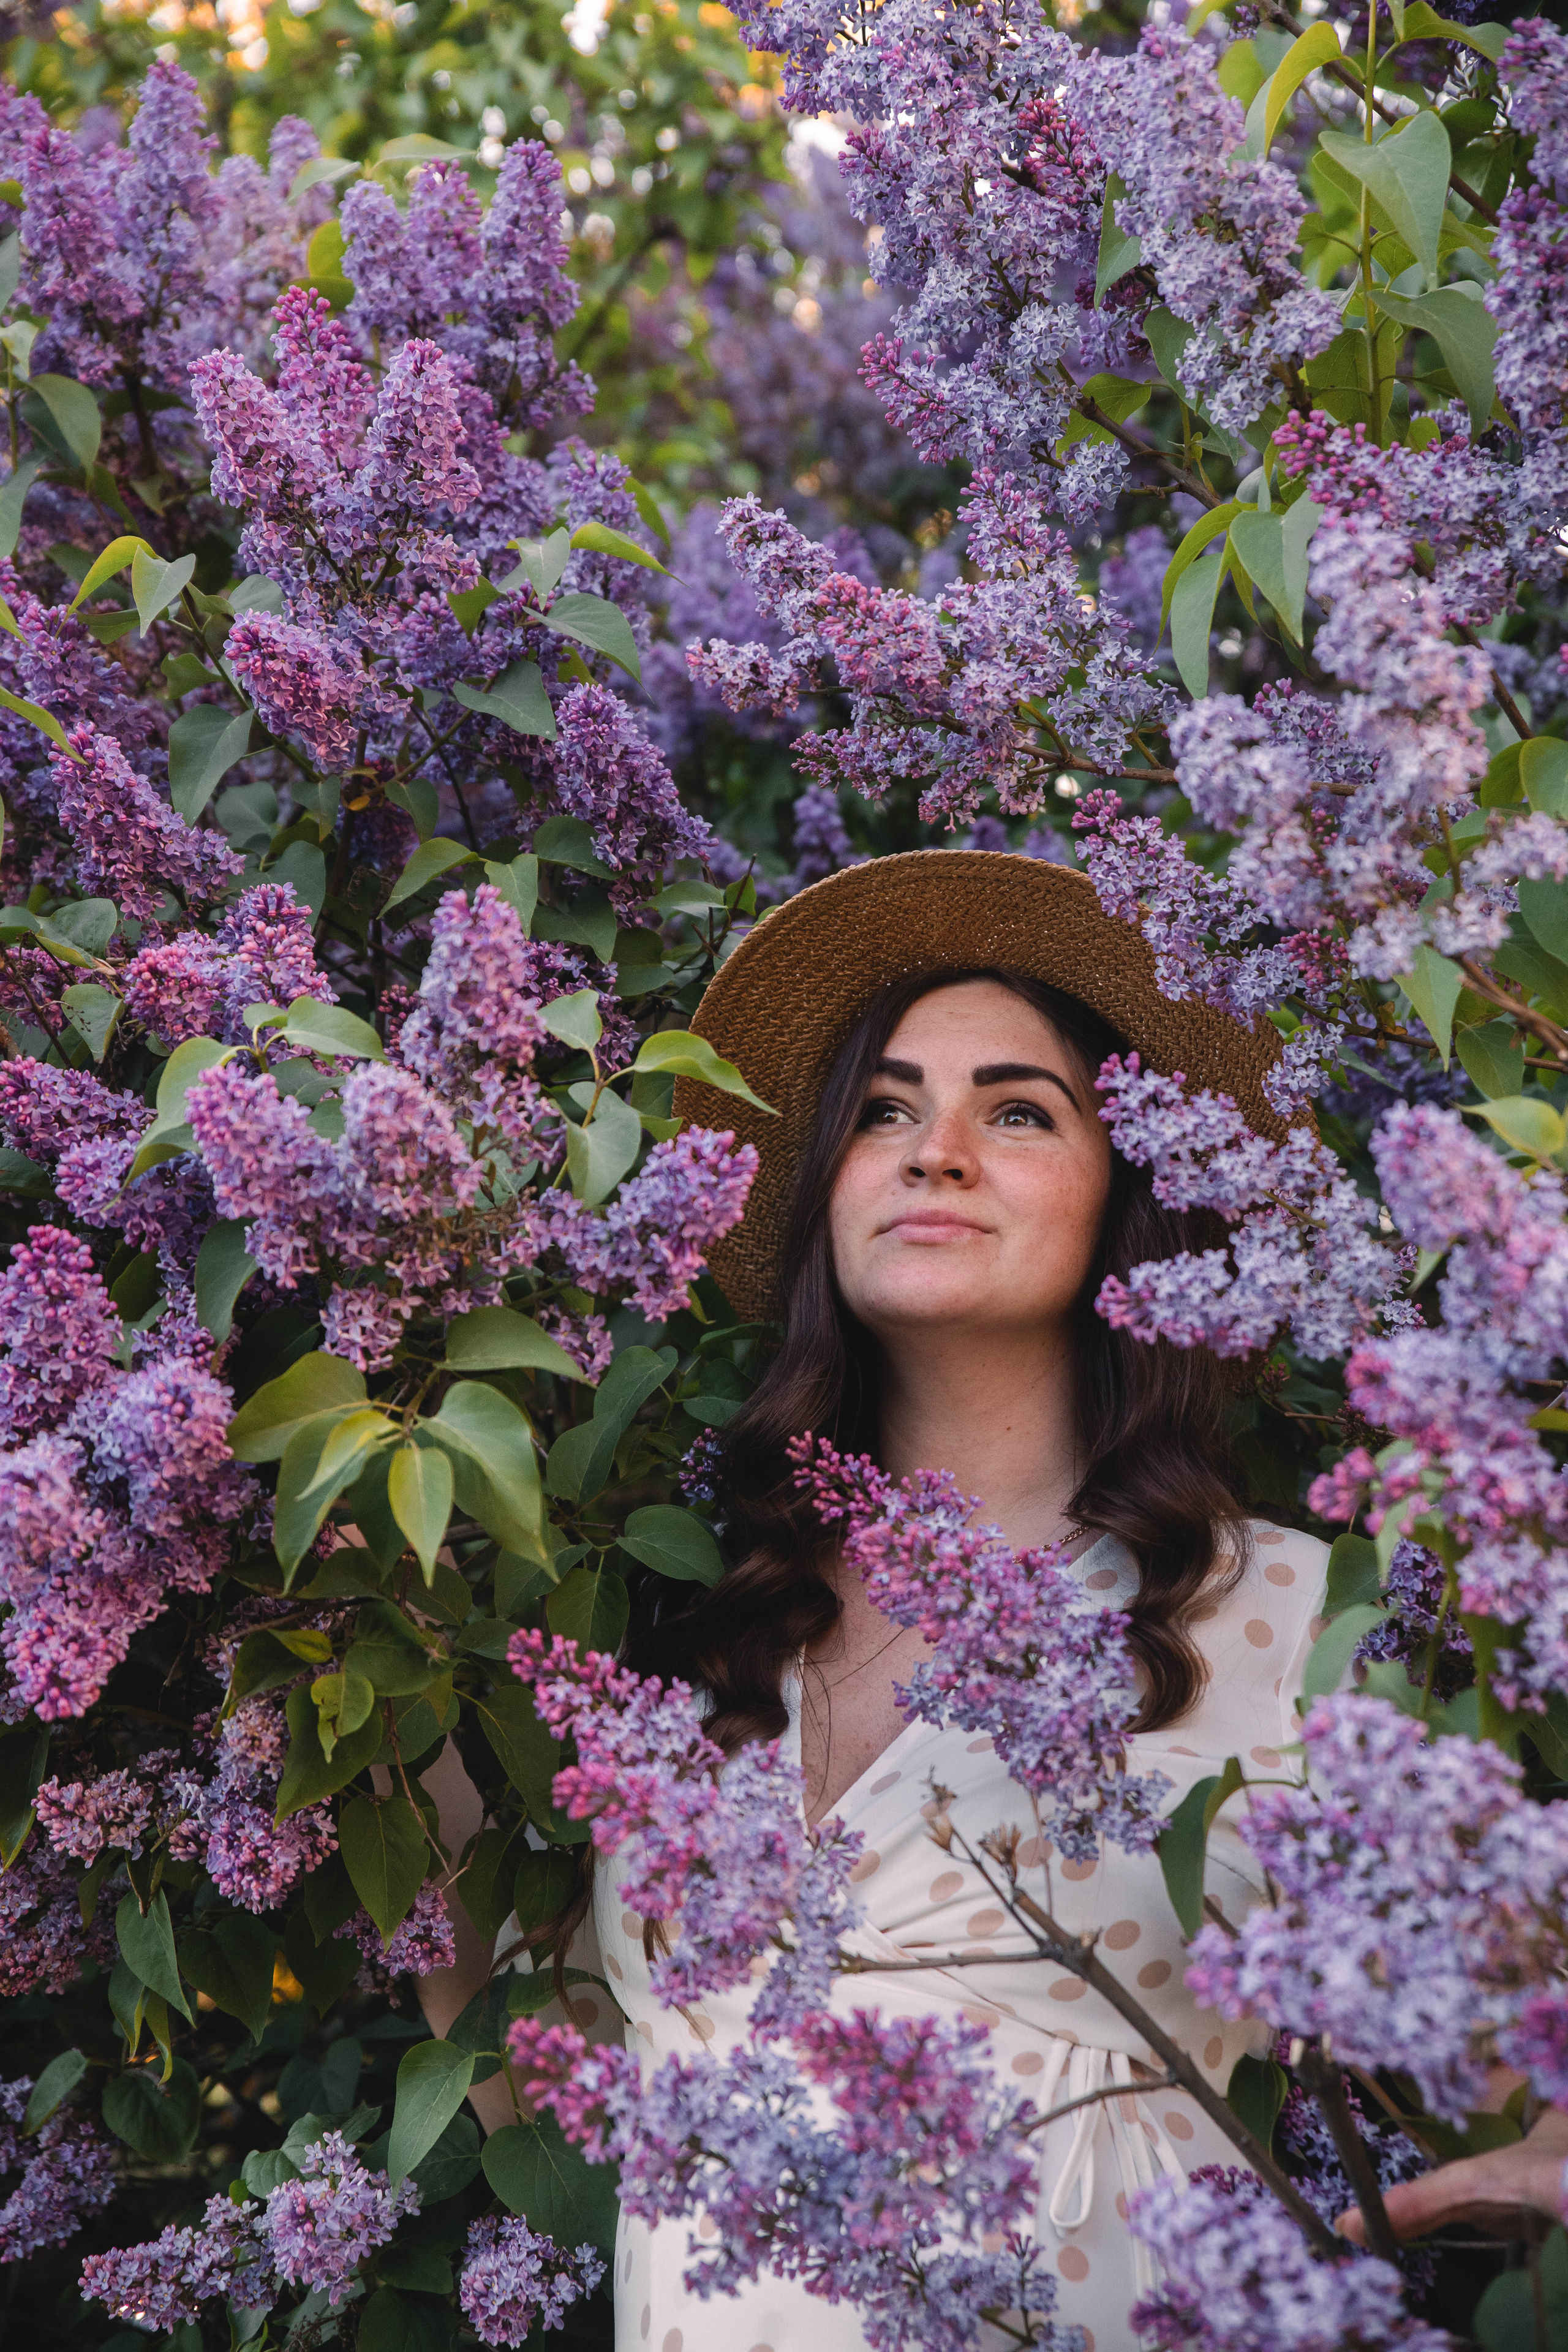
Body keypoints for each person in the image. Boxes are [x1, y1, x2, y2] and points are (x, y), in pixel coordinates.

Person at [421, 851, 1336, 2352]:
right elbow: (557, 2096)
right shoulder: (687, 1620)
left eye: (1019, 1111)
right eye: (883, 1110)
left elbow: (1500, 2036)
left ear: (1130, 1199)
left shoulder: (1282, 1613)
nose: (936, 1150)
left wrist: (1398, 2231)